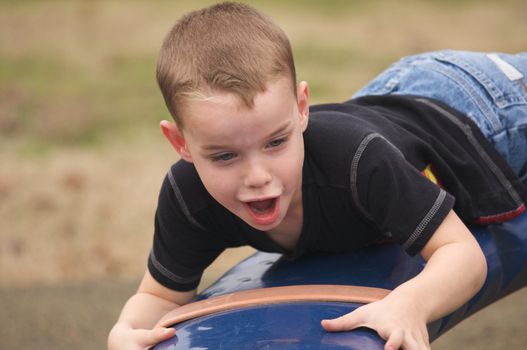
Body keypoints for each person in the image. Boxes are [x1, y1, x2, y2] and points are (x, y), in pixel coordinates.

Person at [107, 2, 527, 350]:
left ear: (301, 108)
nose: (257, 176)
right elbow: (160, 295)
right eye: (225, 156)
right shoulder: (186, 196)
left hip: (485, 106)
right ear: (180, 143)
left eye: (276, 142)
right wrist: (124, 331)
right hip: (391, 108)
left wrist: (411, 303)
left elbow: (463, 256)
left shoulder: (360, 164)